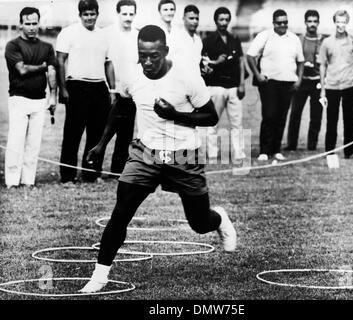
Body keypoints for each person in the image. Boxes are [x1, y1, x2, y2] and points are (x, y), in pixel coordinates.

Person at [80, 25, 237, 293]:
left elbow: (210, 117)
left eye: (154, 56)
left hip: (183, 154)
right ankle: (99, 276)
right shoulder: (132, 74)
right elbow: (121, 106)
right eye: (143, 55)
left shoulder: (187, 76)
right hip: (146, 153)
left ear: (164, 51)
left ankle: (219, 219)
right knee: (120, 214)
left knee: (199, 224)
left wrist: (174, 114)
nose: (148, 62)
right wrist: (101, 144)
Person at [56, 0, 116, 183]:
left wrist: (112, 90)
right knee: (73, 133)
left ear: (97, 14)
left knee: (97, 133)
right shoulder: (68, 33)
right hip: (76, 86)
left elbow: (108, 63)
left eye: (92, 13)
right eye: (86, 14)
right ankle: (68, 176)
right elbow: (60, 61)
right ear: (80, 15)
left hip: (99, 86)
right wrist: (63, 89)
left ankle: (91, 173)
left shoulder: (104, 35)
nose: (89, 17)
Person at [4, 7, 57, 189]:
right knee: (15, 141)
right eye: (28, 23)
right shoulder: (13, 45)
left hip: (39, 99)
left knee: (33, 144)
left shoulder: (47, 47)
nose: (32, 27)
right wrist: (43, 66)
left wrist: (53, 97)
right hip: (19, 98)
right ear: (21, 25)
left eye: (35, 23)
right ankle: (12, 180)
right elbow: (22, 69)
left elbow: (52, 71)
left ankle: (28, 180)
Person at [247, 9, 304, 162]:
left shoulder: (294, 38)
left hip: (288, 83)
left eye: (285, 22)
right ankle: (265, 150)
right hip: (269, 83)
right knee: (269, 115)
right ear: (273, 23)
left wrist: (299, 79)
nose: (282, 25)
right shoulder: (264, 36)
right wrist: (258, 75)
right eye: (279, 23)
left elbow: (300, 61)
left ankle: (276, 149)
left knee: (281, 116)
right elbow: (250, 56)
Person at [319, 10, 353, 159]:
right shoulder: (327, 42)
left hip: (350, 86)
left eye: (343, 22)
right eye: (338, 22)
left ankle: (348, 152)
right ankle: (329, 151)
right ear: (334, 22)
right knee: (331, 121)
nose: (341, 25)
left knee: (349, 120)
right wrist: (323, 90)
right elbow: (322, 65)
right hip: (332, 86)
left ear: (347, 23)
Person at [202, 7, 246, 161]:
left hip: (233, 87)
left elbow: (241, 62)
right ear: (215, 21)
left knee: (237, 123)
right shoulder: (207, 41)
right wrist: (215, 63)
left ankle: (238, 153)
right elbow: (203, 64)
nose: (224, 22)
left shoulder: (234, 39)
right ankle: (213, 154)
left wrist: (242, 84)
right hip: (216, 86)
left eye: (227, 19)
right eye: (221, 19)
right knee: (212, 122)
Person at [103, 0, 138, 174]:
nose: (128, 18)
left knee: (126, 134)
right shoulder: (108, 34)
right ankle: (93, 170)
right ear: (118, 14)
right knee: (103, 130)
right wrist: (112, 89)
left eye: (131, 14)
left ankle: (118, 170)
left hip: (130, 93)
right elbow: (106, 62)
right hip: (111, 90)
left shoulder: (137, 36)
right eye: (125, 14)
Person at [285, 10, 323, 151]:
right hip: (301, 81)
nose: (312, 24)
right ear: (305, 22)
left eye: (315, 21)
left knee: (316, 115)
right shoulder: (298, 39)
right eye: (310, 21)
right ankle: (291, 144)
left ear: (318, 23)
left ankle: (312, 145)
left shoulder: (322, 40)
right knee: (295, 114)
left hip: (317, 82)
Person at [169, 5, 203, 75]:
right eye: (191, 18)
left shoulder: (198, 40)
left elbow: (196, 64)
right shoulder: (176, 37)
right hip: (179, 80)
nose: (195, 21)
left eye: (197, 19)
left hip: (195, 80)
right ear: (184, 18)